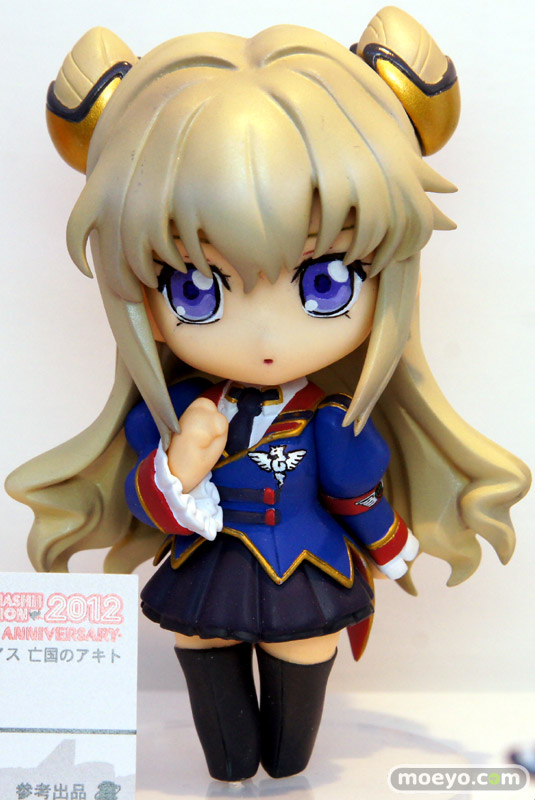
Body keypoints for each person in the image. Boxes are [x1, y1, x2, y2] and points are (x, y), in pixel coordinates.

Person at [6, 7, 530, 782]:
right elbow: (149, 501)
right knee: (215, 705)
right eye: (195, 287)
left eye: (325, 281)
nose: (262, 335)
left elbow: (353, 494)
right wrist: (180, 469)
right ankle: (228, 769)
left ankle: (286, 773)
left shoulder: (329, 419)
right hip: (206, 568)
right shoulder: (172, 416)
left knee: (292, 735)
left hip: (307, 571)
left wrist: (394, 548)